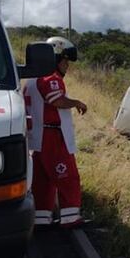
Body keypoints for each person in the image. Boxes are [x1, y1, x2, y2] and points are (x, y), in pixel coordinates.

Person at [24, 36, 88, 228]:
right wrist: (77, 103)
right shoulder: (51, 78)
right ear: (55, 58)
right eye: (65, 60)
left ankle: (41, 218)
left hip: (38, 138)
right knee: (67, 177)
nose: (67, 65)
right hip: (52, 136)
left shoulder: (32, 80)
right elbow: (56, 101)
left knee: (43, 181)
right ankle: (70, 218)